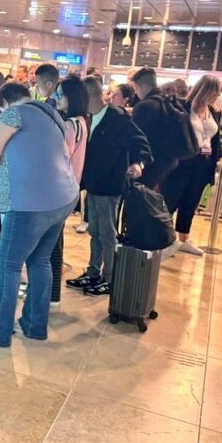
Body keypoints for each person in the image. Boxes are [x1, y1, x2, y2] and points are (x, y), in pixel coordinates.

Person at [0, 83, 77, 347]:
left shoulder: (13, 114)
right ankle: (34, 325)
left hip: (29, 203)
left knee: (8, 265)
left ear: (5, 102)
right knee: (40, 261)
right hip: (63, 198)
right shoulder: (50, 114)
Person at [66, 77, 152, 297]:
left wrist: (138, 163)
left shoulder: (117, 118)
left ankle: (110, 278)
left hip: (109, 185)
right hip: (93, 183)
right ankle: (94, 272)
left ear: (90, 95)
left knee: (106, 233)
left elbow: (141, 142)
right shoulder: (87, 118)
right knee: (95, 231)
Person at [161, 75, 222, 258]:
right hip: (182, 162)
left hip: (203, 163)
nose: (217, 95)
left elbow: (215, 137)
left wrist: (217, 158)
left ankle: (183, 238)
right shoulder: (183, 106)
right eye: (215, 91)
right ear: (205, 90)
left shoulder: (214, 111)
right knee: (171, 200)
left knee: (191, 202)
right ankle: (164, 240)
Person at [50, 76, 89, 306]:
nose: (56, 98)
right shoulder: (82, 121)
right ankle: (52, 293)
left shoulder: (69, 126)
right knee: (55, 242)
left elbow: (59, 157)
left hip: (59, 190)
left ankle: (51, 294)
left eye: (61, 94)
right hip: (70, 189)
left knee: (51, 246)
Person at [132, 67, 180, 192]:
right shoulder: (168, 102)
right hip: (171, 162)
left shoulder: (144, 107)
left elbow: (136, 137)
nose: (136, 93)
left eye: (136, 88)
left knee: (141, 200)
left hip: (151, 164)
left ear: (144, 87)